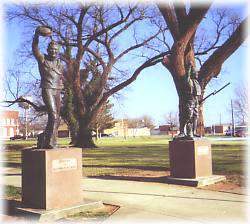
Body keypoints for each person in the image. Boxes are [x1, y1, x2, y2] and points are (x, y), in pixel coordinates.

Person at [32, 26, 64, 149]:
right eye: (52, 50)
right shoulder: (42, 59)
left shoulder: (59, 64)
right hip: (47, 89)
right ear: (48, 49)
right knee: (53, 115)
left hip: (57, 90)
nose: (54, 52)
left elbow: (60, 79)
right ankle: (50, 142)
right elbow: (35, 48)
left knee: (57, 118)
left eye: (56, 50)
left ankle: (44, 137)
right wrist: (36, 35)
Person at [176, 62, 201, 140]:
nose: (197, 74)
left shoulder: (196, 82)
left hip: (195, 100)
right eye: (196, 72)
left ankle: (193, 132)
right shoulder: (188, 80)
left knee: (195, 116)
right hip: (189, 100)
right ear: (192, 73)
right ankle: (182, 132)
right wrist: (189, 66)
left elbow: (198, 93)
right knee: (188, 116)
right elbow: (187, 75)